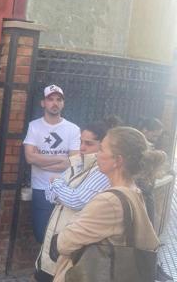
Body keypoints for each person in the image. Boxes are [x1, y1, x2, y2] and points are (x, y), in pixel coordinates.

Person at [51, 127, 163, 281]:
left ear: (118, 160)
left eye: (102, 149)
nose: (97, 154)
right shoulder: (133, 191)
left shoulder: (109, 201)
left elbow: (64, 243)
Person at [35, 116, 121, 281]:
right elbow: (49, 195)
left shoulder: (101, 171)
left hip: (72, 245)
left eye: (89, 144)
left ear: (102, 146)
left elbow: (77, 200)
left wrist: (59, 185)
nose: (82, 148)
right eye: (81, 141)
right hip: (54, 239)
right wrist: (62, 191)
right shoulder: (78, 164)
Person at [24, 84, 80, 243]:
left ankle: (53, 268)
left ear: (63, 103)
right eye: (50, 99)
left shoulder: (73, 129)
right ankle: (44, 267)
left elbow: (74, 162)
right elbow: (29, 158)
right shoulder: (34, 126)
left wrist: (41, 162)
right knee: (41, 234)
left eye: (58, 100)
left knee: (61, 236)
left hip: (65, 188)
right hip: (41, 188)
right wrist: (61, 160)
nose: (55, 103)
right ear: (43, 103)